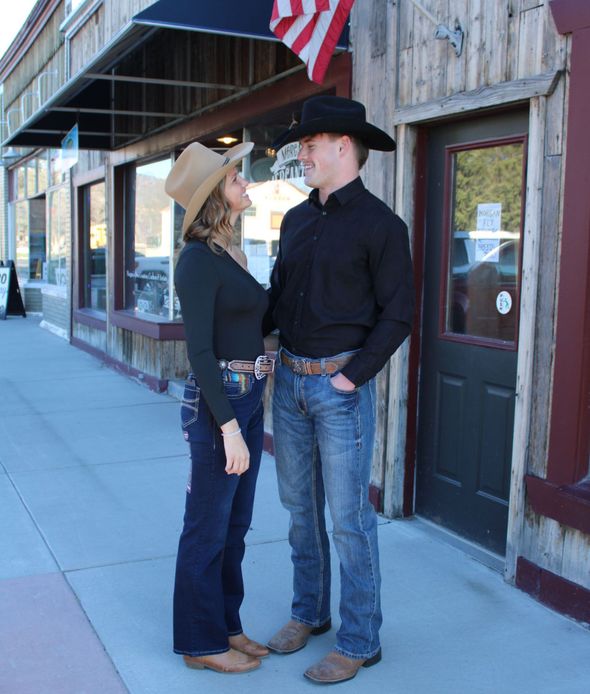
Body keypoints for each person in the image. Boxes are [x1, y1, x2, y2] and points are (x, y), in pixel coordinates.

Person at [264, 95, 414, 684]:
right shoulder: (296, 219)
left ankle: (359, 639)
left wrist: (349, 377)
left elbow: (397, 315)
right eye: (301, 143)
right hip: (289, 384)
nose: (301, 152)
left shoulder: (382, 225)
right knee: (301, 512)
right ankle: (309, 613)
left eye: (310, 142)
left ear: (344, 146)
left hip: (339, 387)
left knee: (349, 519)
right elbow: (277, 298)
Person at [166, 141, 275, 674]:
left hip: (251, 395)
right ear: (216, 197)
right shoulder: (195, 262)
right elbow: (201, 352)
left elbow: (257, 321)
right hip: (221, 404)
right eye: (237, 179)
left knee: (236, 524)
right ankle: (198, 641)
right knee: (206, 526)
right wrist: (228, 426)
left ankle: (227, 626)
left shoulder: (229, 255)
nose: (246, 184)